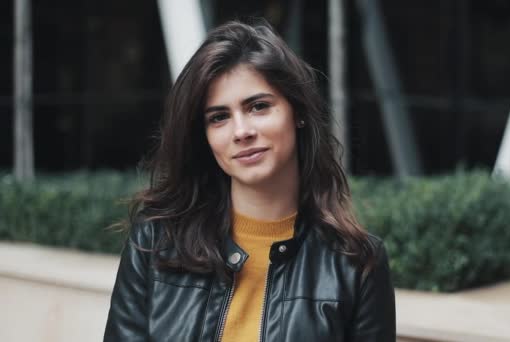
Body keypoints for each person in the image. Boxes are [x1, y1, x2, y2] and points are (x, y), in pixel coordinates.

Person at [104, 18, 395, 342]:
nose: (241, 131)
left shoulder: (357, 264)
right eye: (219, 117)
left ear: (297, 112)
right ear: (204, 136)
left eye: (258, 106)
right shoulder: (155, 242)